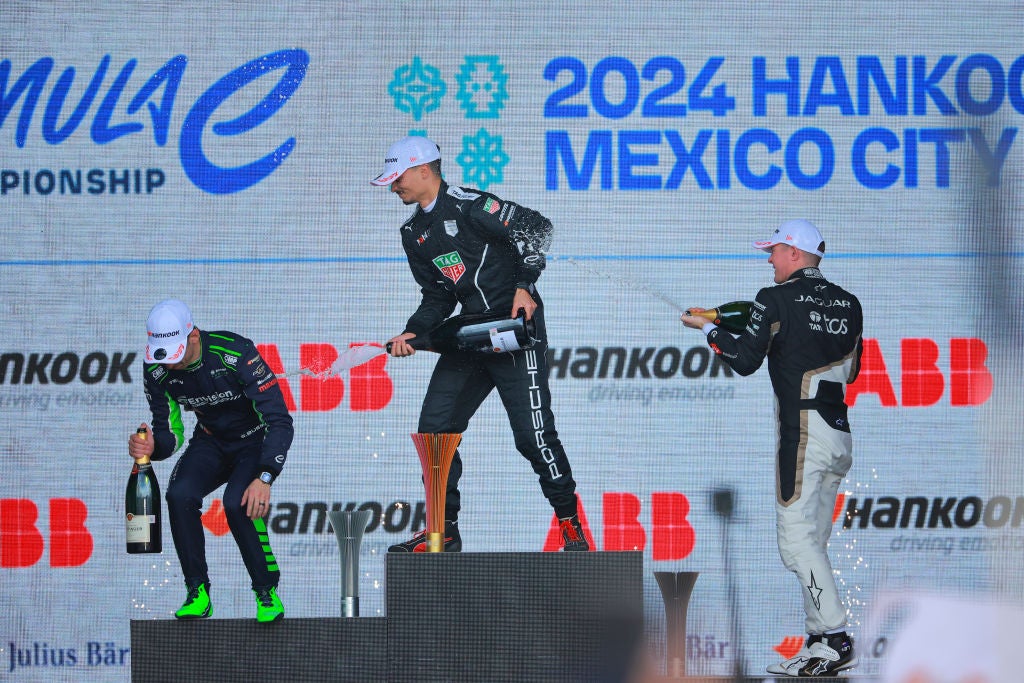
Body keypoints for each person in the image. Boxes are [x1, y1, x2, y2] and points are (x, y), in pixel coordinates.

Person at [370, 135, 588, 553]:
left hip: (514, 330)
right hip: (470, 337)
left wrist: (524, 285)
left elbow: (538, 228)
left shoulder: (472, 205)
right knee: (434, 432)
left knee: (532, 436)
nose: (394, 187)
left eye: (398, 178)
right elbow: (437, 297)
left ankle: (570, 524)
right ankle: (441, 532)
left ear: (423, 170)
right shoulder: (414, 232)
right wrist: (411, 333)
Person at [680, 219, 863, 677]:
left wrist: (707, 331)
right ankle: (820, 641)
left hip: (802, 432)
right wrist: (720, 315)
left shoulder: (774, 297)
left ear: (795, 254)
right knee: (813, 543)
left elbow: (744, 360)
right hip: (838, 431)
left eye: (775, 251)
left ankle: (837, 639)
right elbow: (853, 371)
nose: (770, 259)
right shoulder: (849, 302)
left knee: (796, 545)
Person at [127, 299, 294, 623]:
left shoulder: (235, 352)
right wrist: (149, 447)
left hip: (253, 441)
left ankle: (265, 590)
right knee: (179, 495)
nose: (170, 365)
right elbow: (170, 432)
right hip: (210, 441)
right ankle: (197, 591)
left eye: (176, 356)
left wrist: (265, 477)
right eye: (164, 357)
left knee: (237, 502)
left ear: (193, 337)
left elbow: (279, 421)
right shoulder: (156, 368)